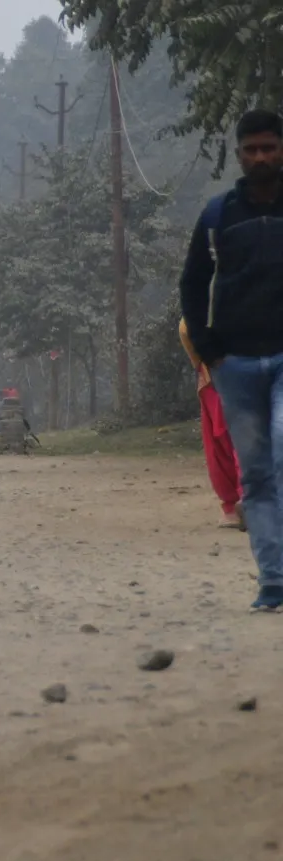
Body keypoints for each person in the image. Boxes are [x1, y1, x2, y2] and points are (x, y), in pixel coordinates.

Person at [180, 108, 283, 609]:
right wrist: (209, 349)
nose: (260, 157)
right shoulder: (218, 215)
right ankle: (273, 582)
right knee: (257, 476)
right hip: (236, 366)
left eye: (269, 147)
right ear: (239, 154)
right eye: (251, 149)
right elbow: (192, 284)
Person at [179, 317, 245, 530]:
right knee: (236, 438)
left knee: (227, 440)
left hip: (214, 375)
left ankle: (235, 506)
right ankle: (242, 502)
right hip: (221, 376)